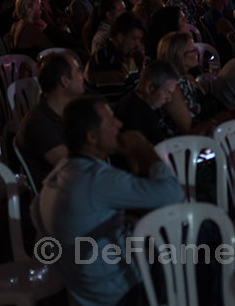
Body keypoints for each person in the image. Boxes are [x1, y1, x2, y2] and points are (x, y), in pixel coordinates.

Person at [32, 95, 184, 306]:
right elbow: (173, 194)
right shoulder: (97, 179)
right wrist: (143, 149)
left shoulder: (59, 175)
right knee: (196, 233)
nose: (119, 124)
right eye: (111, 120)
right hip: (121, 292)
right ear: (92, 137)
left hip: (83, 291)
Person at [17, 51, 86, 187]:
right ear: (64, 81)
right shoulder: (38, 124)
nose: (83, 76)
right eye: (78, 71)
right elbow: (76, 169)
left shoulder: (69, 113)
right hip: (60, 199)